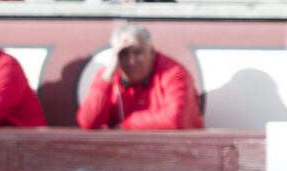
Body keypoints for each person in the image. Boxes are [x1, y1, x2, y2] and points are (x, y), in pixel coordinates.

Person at [76, 20, 204, 130]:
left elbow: (176, 119)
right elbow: (88, 121)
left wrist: (126, 125)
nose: (132, 61)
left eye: (137, 52)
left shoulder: (173, 72)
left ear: (151, 51)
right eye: (124, 54)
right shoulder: (108, 76)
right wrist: (108, 74)